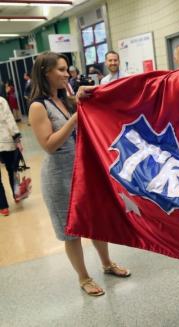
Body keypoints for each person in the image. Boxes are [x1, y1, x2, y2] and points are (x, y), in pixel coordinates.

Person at [28, 52, 131, 296]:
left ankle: (106, 264)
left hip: (81, 171)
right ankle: (83, 277)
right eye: (61, 70)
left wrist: (82, 99)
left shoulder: (65, 99)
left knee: (95, 220)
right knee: (70, 231)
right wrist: (74, 119)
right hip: (59, 177)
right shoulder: (37, 106)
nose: (67, 74)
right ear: (46, 73)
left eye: (67, 70)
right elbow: (49, 145)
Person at [0, 96, 29, 216]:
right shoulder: (1, 101)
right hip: (6, 141)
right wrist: (17, 140)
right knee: (12, 170)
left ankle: (3, 207)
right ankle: (17, 195)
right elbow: (9, 119)